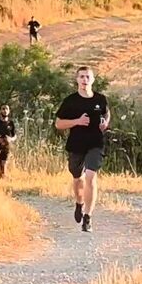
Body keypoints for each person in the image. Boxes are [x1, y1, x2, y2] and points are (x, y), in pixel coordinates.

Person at [54, 66, 110, 232]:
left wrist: (105, 123)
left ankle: (88, 217)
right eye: (82, 77)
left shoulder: (100, 99)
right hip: (76, 144)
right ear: (77, 80)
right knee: (78, 178)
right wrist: (76, 121)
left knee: (91, 177)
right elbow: (58, 124)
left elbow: (107, 113)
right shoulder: (71, 101)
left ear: (92, 80)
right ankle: (79, 203)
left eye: (88, 77)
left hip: (96, 143)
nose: (85, 80)